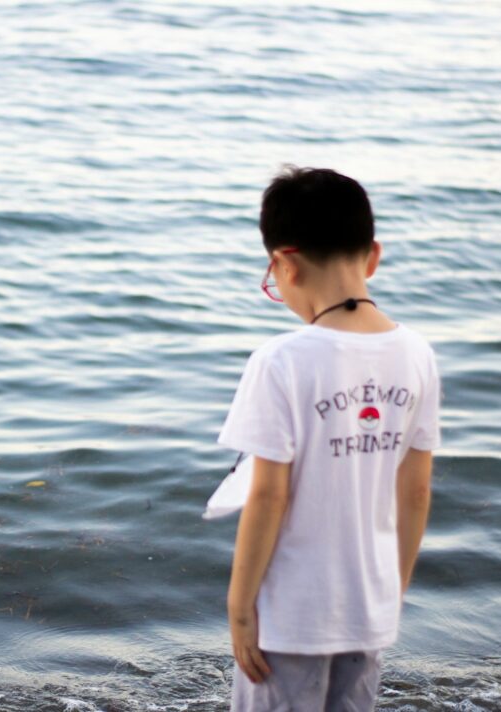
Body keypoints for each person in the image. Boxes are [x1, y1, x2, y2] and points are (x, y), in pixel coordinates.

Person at [216, 166, 441, 711]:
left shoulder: (280, 361)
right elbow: (414, 493)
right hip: (370, 608)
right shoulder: (418, 355)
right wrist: (393, 591)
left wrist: (241, 608)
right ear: (373, 255)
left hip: (291, 616)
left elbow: (269, 495)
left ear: (284, 264)